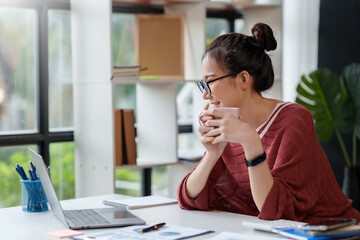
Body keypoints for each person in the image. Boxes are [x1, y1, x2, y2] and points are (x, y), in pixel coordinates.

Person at [177, 23, 360, 224]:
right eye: (202, 84)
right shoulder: (228, 124)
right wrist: (212, 155)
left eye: (210, 81)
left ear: (243, 79)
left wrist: (250, 142)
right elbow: (188, 198)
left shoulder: (294, 120)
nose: (205, 94)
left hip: (329, 230)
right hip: (260, 231)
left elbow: (277, 211)